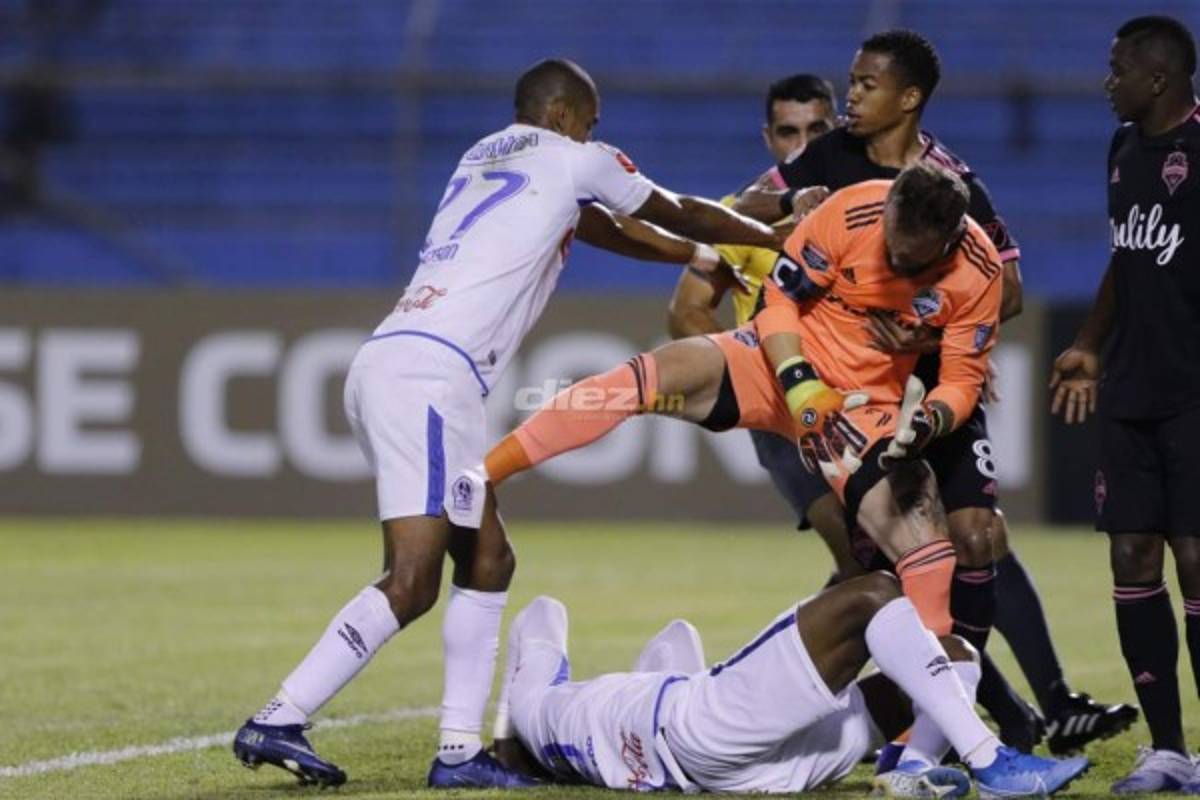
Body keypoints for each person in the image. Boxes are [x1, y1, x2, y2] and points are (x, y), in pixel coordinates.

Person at [230, 57, 781, 789]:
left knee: (489, 558)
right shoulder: (577, 155)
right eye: (591, 119)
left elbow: (598, 224)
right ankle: (281, 715)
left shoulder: (485, 153)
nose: (595, 131)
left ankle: (459, 754)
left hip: (402, 360)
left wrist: (696, 256)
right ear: (562, 116)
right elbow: (672, 204)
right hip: (429, 377)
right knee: (414, 577)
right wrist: (772, 238)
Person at [733, 29, 1136, 754]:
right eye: (851, 82)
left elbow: (1005, 289)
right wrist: (785, 215)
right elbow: (742, 216)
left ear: (909, 98)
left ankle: (1000, 708)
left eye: (864, 85)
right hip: (853, 398)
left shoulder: (953, 182)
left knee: (979, 536)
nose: (849, 96)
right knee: (897, 561)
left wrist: (922, 340)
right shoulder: (820, 163)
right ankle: (990, 717)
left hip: (937, 388)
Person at [486, 165, 999, 647]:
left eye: (912, 259)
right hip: (777, 362)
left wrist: (932, 419)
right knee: (633, 382)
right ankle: (482, 479)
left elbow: (962, 381)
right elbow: (779, 301)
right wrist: (799, 385)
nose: (895, 261)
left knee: (928, 558)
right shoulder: (852, 210)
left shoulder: (977, 271)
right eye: (891, 245)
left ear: (949, 240)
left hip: (860, 408)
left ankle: (924, 737)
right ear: (888, 208)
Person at [494, 580, 1090, 797]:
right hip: (701, 733)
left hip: (758, 767)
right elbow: (540, 614)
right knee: (871, 597)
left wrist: (510, 734)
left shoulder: (553, 719)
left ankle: (909, 775)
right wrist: (507, 732)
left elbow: (670, 647)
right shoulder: (539, 708)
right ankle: (990, 763)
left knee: (953, 653)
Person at [1050, 15, 1200, 794]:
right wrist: (1089, 343)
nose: (1106, 82)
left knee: (1198, 559)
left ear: (1158, 78)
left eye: (1117, 70)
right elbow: (1128, 254)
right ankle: (1168, 750)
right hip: (1131, 390)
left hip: (1195, 394)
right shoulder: (1122, 150)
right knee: (1132, 557)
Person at [667, 73, 865, 579]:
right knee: (860, 553)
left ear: (839, 125)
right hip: (785, 415)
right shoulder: (739, 218)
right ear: (768, 138)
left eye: (816, 130)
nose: (802, 146)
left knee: (900, 556)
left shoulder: (871, 202)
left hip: (863, 398)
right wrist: (752, 377)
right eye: (788, 133)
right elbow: (686, 311)